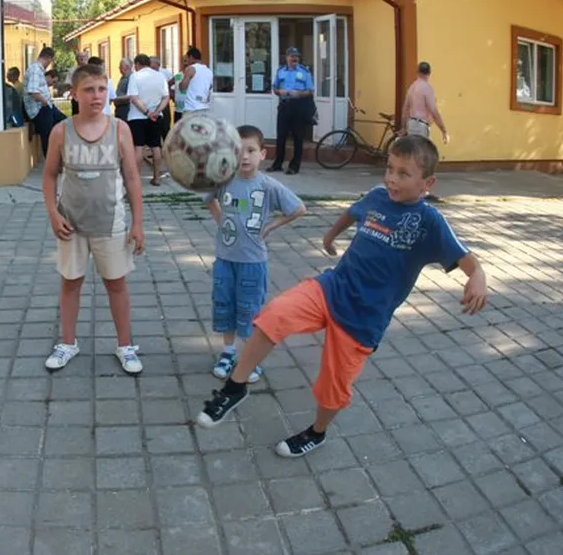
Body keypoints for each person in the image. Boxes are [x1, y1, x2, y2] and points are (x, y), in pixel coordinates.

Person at [195, 135, 488, 459]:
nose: (391, 178)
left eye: (403, 173)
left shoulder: (429, 221)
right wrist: (330, 235)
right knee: (274, 315)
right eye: (389, 168)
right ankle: (235, 388)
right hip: (332, 287)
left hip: (364, 318)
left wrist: (478, 277)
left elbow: (467, 260)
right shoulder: (377, 196)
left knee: (332, 387)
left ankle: (316, 432)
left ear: (427, 183)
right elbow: (352, 212)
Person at [41, 63, 146, 375]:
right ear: (74, 94)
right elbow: (49, 176)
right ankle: (68, 342)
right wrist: (52, 214)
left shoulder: (119, 129)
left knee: (116, 284)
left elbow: (132, 178)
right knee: (71, 283)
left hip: (111, 223)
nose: (97, 96)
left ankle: (125, 345)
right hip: (71, 224)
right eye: (88, 90)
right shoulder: (61, 131)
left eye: (102, 89)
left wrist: (138, 223)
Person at [206, 125, 306, 383]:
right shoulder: (225, 180)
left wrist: (271, 226)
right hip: (225, 259)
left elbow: (298, 209)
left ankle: (250, 358)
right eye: (238, 150)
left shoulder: (268, 186)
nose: (244, 156)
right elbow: (209, 198)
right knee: (225, 304)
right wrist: (221, 221)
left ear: (263, 154)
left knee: (250, 309)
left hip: (252, 262)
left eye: (251, 150)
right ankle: (228, 352)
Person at [269, 47, 316, 174]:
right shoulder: (280, 71)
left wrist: (299, 93)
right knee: (281, 136)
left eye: (297, 56)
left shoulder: (304, 72)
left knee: (298, 137)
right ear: (287, 58)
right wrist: (280, 92)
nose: (295, 58)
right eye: (292, 56)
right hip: (284, 105)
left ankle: (294, 166)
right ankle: (277, 164)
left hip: (299, 106)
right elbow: (275, 89)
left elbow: (310, 91)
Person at [127, 54, 170, 186]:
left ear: (138, 64)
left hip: (137, 117)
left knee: (138, 148)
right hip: (156, 117)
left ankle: (136, 179)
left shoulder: (135, 76)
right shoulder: (160, 76)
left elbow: (134, 98)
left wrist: (146, 112)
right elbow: (166, 97)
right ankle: (157, 177)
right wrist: (156, 112)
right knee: (156, 146)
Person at [402, 61, 449, 144]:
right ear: (429, 73)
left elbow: (405, 110)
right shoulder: (427, 88)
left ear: (417, 72)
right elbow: (434, 112)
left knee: (414, 151)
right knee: (424, 151)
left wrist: (404, 128)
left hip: (411, 124)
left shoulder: (412, 87)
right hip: (421, 126)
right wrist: (444, 131)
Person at [24, 46, 57, 157]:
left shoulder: (39, 70)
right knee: (47, 136)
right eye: (50, 61)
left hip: (47, 106)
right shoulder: (35, 70)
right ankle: (51, 161)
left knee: (65, 124)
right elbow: (33, 91)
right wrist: (44, 102)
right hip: (39, 109)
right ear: (49, 59)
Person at [179, 46, 214, 115]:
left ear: (191, 57)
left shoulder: (191, 69)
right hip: (204, 108)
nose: (187, 62)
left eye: (187, 59)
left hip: (191, 108)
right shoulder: (209, 71)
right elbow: (210, 87)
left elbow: (182, 88)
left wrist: (180, 83)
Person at [150, 55, 174, 139]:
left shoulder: (165, 73)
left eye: (151, 64)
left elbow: (172, 88)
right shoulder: (147, 74)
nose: (150, 66)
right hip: (151, 104)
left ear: (158, 65)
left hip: (163, 104)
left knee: (165, 128)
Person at [65, 50, 90, 115]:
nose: (82, 58)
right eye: (80, 57)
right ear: (76, 59)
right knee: (77, 116)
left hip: (89, 98)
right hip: (77, 98)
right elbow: (68, 83)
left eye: (84, 56)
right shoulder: (72, 70)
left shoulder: (91, 70)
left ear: (87, 58)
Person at [112, 57, 134, 122]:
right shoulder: (123, 78)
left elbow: (131, 96)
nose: (119, 68)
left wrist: (116, 98)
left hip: (126, 110)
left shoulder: (131, 78)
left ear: (127, 67)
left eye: (121, 66)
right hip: (119, 110)